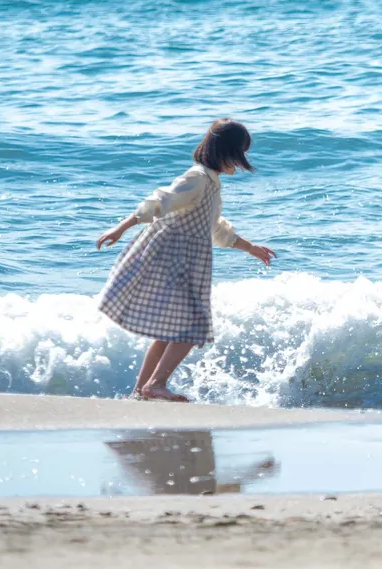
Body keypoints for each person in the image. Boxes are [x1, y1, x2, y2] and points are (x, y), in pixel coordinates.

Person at [95, 118, 275, 402]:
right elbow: (159, 202)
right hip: (172, 258)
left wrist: (249, 247)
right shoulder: (197, 178)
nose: (241, 162)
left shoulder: (211, 184)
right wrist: (121, 227)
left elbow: (214, 227)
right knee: (193, 326)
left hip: (186, 261)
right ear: (224, 151)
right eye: (240, 154)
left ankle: (141, 392)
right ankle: (155, 384)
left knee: (170, 329)